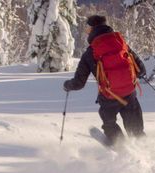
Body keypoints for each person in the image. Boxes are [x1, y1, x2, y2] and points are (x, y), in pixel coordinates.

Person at [63, 15, 147, 146]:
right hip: (129, 94)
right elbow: (141, 70)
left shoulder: (90, 53)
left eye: (87, 29)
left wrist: (67, 85)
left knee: (109, 124)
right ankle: (145, 148)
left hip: (109, 96)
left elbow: (79, 83)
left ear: (91, 29)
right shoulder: (121, 43)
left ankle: (120, 147)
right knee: (136, 131)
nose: (86, 31)